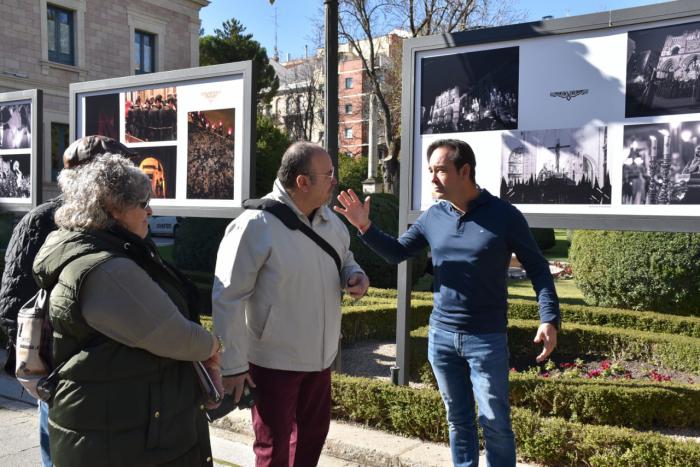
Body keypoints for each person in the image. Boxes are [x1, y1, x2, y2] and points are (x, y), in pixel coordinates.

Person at [333, 138, 561, 467]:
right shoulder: (433, 216)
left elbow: (539, 268)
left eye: (440, 170)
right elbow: (397, 252)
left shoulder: (505, 216)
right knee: (458, 420)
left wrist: (548, 317)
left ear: (464, 171)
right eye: (430, 171)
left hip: (486, 339)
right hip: (441, 338)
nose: (433, 178)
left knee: (495, 424)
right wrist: (364, 226)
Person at [31, 153, 221, 467]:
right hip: (124, 436)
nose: (150, 209)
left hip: (116, 426)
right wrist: (214, 345)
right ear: (114, 207)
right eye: (142, 202)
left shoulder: (90, 251)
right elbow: (175, 335)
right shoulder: (107, 269)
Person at [212, 141, 369, 467]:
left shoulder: (331, 222)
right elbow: (227, 296)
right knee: (274, 449)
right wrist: (233, 366)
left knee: (311, 441)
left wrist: (355, 275)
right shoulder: (255, 225)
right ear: (302, 181)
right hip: (273, 364)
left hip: (320, 359)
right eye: (328, 175)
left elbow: (346, 259)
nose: (334, 182)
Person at [0, 135, 135, 467]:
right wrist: (48, 370)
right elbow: (13, 305)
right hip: (62, 380)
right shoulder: (41, 221)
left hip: (115, 380)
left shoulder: (122, 222)